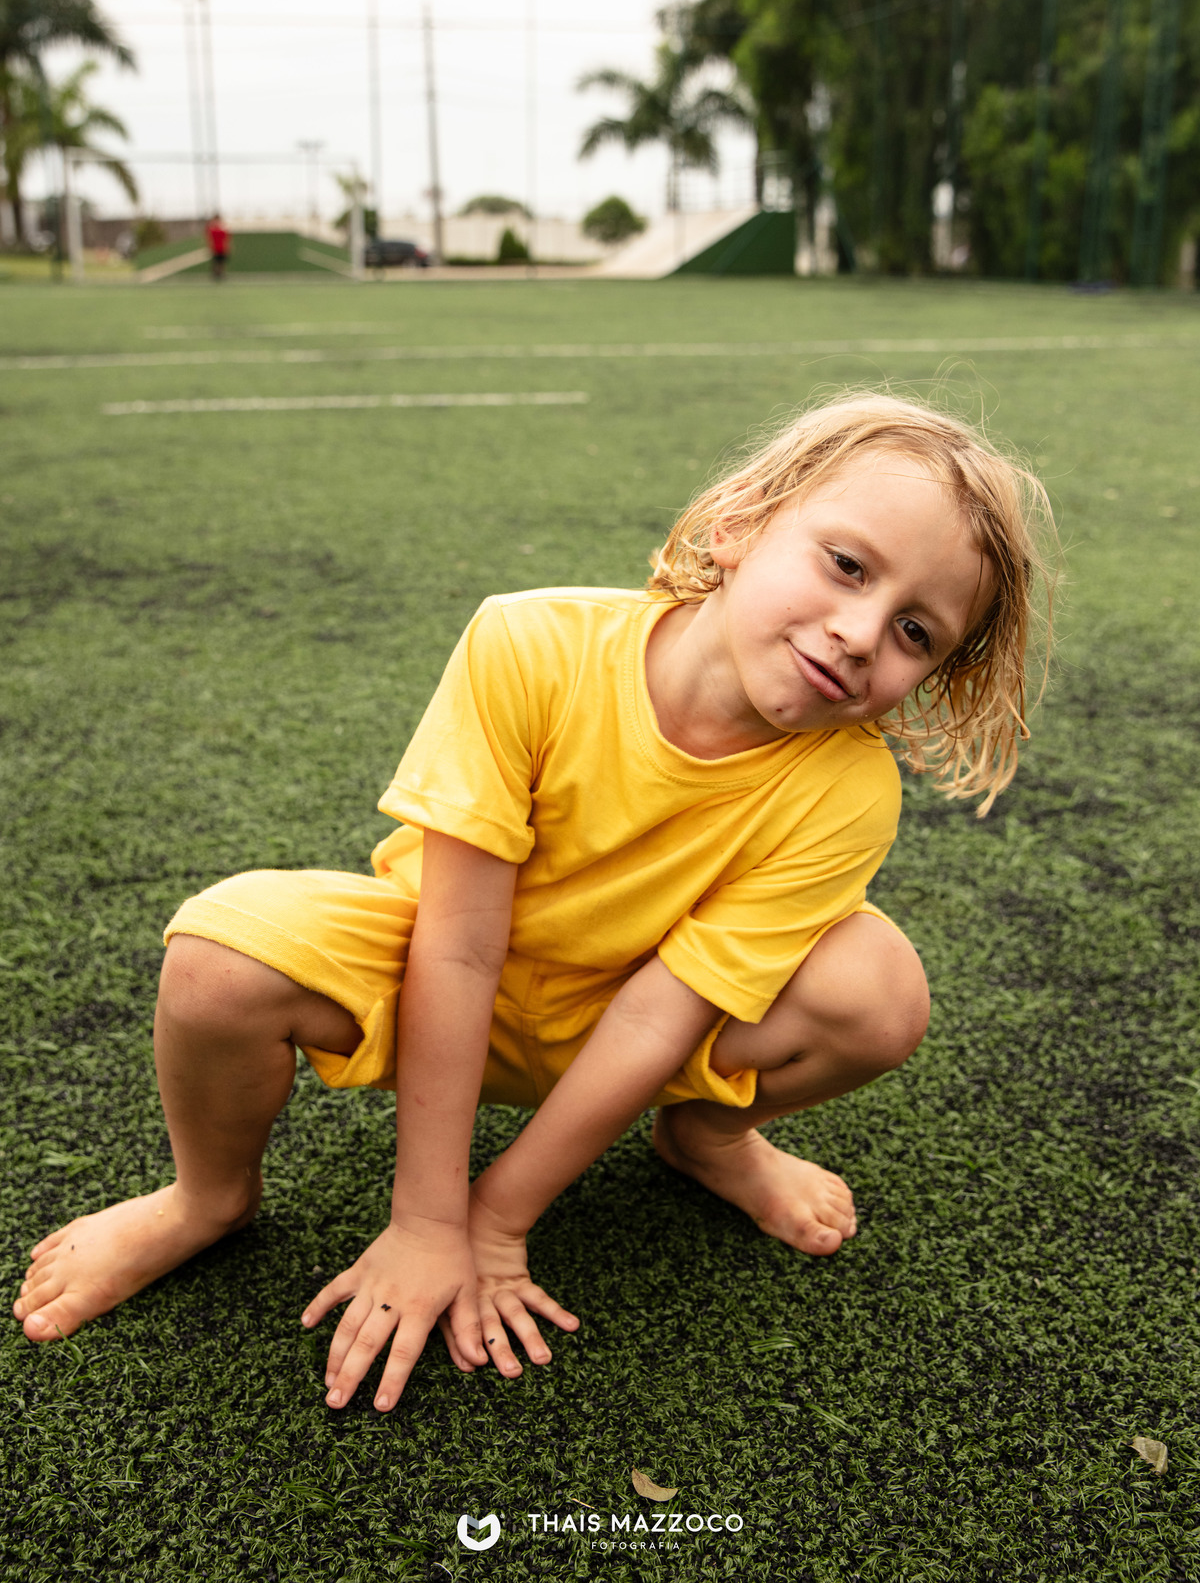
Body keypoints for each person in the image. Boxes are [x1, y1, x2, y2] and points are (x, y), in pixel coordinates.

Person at [14, 391, 1055, 1416]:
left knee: (879, 991)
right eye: (846, 564)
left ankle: (708, 1138)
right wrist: (426, 1220)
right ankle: (207, 1199)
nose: (863, 630)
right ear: (743, 521)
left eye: (917, 631)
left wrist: (495, 1220)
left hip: (629, 1022)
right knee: (214, 955)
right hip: (436, 969)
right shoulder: (530, 645)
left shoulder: (850, 789)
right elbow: (457, 949)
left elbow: (661, 1010)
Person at [205, 214, 230, 280]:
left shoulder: (223, 228)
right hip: (215, 248)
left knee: (221, 262)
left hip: (222, 248)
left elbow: (226, 239)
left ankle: (221, 275)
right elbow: (209, 239)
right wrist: (210, 248)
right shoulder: (212, 229)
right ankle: (215, 275)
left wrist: (227, 247)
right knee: (215, 262)